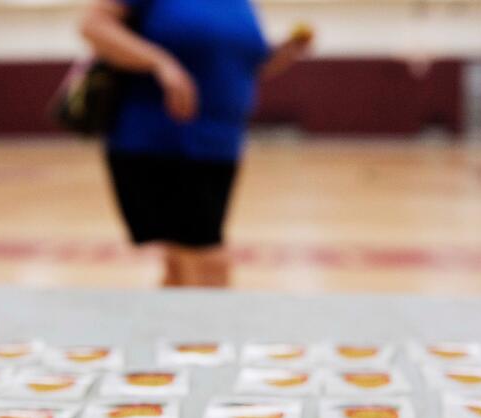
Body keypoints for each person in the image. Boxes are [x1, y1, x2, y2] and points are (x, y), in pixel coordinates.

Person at [80, 0, 312, 287]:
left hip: (221, 144)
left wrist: (284, 52)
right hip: (162, 140)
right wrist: (159, 62)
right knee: (208, 262)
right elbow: (93, 25)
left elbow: (246, 66)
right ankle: (209, 333)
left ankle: (169, 330)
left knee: (181, 261)